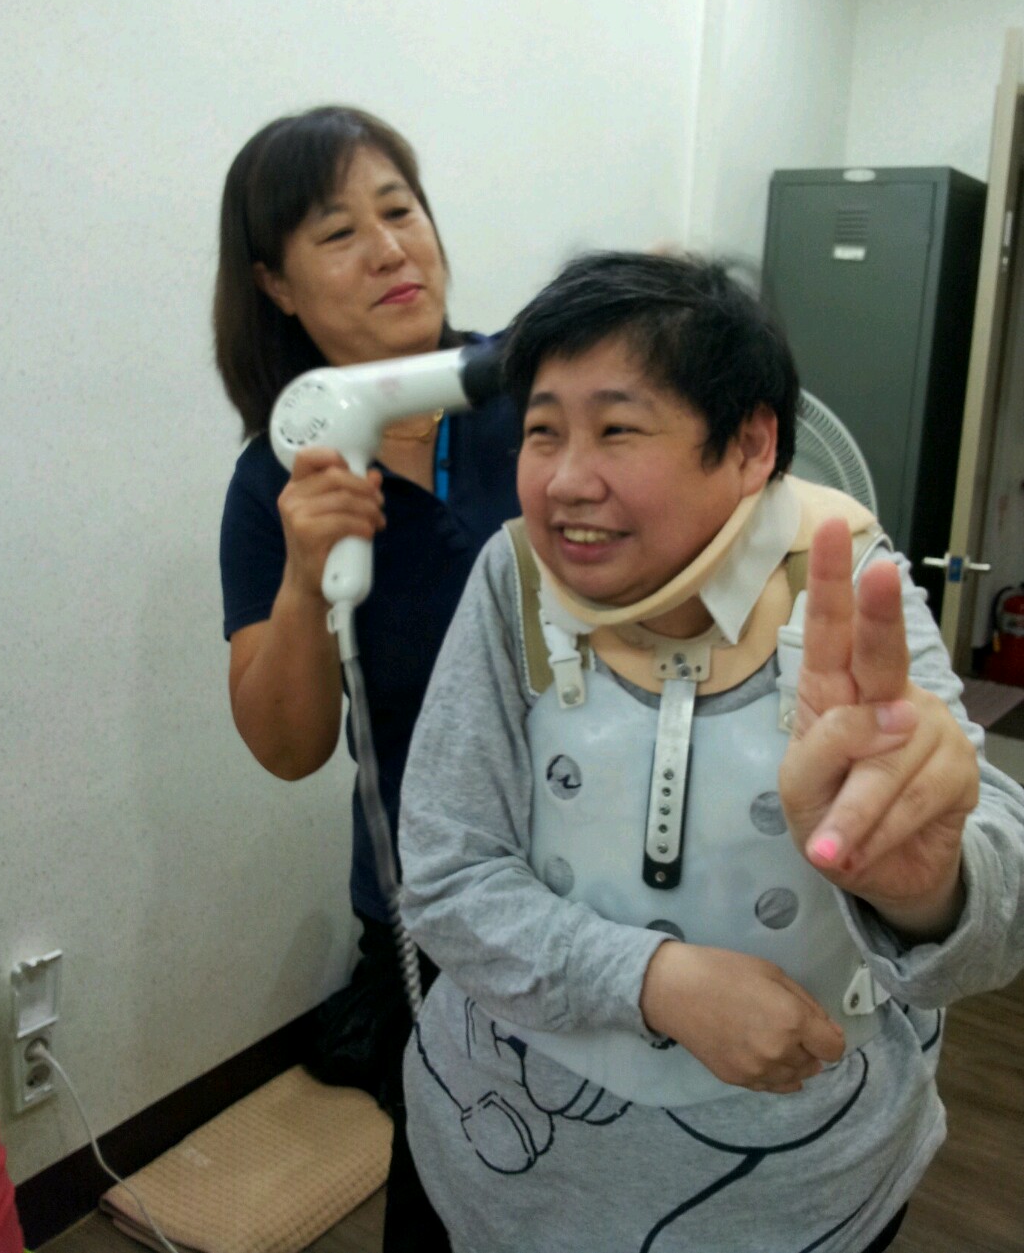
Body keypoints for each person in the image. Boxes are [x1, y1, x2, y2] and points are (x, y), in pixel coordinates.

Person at [398, 251, 1024, 1253]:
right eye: (543, 430)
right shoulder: (510, 579)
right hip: (505, 1163)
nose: (565, 479)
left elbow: (1002, 906)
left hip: (797, 1190)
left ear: (751, 444)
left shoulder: (847, 587)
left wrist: (929, 891)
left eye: (617, 428)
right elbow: (442, 874)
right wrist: (656, 982)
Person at [214, 105, 519, 1252]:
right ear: (275, 285)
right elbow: (290, 747)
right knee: (452, 1186)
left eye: (401, 210)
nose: (391, 248)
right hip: (430, 909)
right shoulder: (275, 483)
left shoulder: (538, 404)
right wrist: (305, 580)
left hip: (597, 888)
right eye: (339, 232)